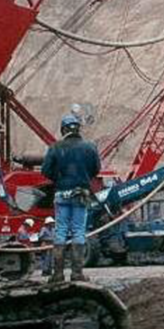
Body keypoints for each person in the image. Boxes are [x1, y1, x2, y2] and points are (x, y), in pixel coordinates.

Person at [41, 112, 101, 282]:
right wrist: (82, 178)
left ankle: (58, 274)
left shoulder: (55, 147)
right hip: (81, 194)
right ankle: (77, 273)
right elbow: (96, 169)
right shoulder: (90, 147)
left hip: (61, 194)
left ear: (63, 129)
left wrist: (60, 180)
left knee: (60, 231)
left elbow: (45, 171)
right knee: (78, 231)